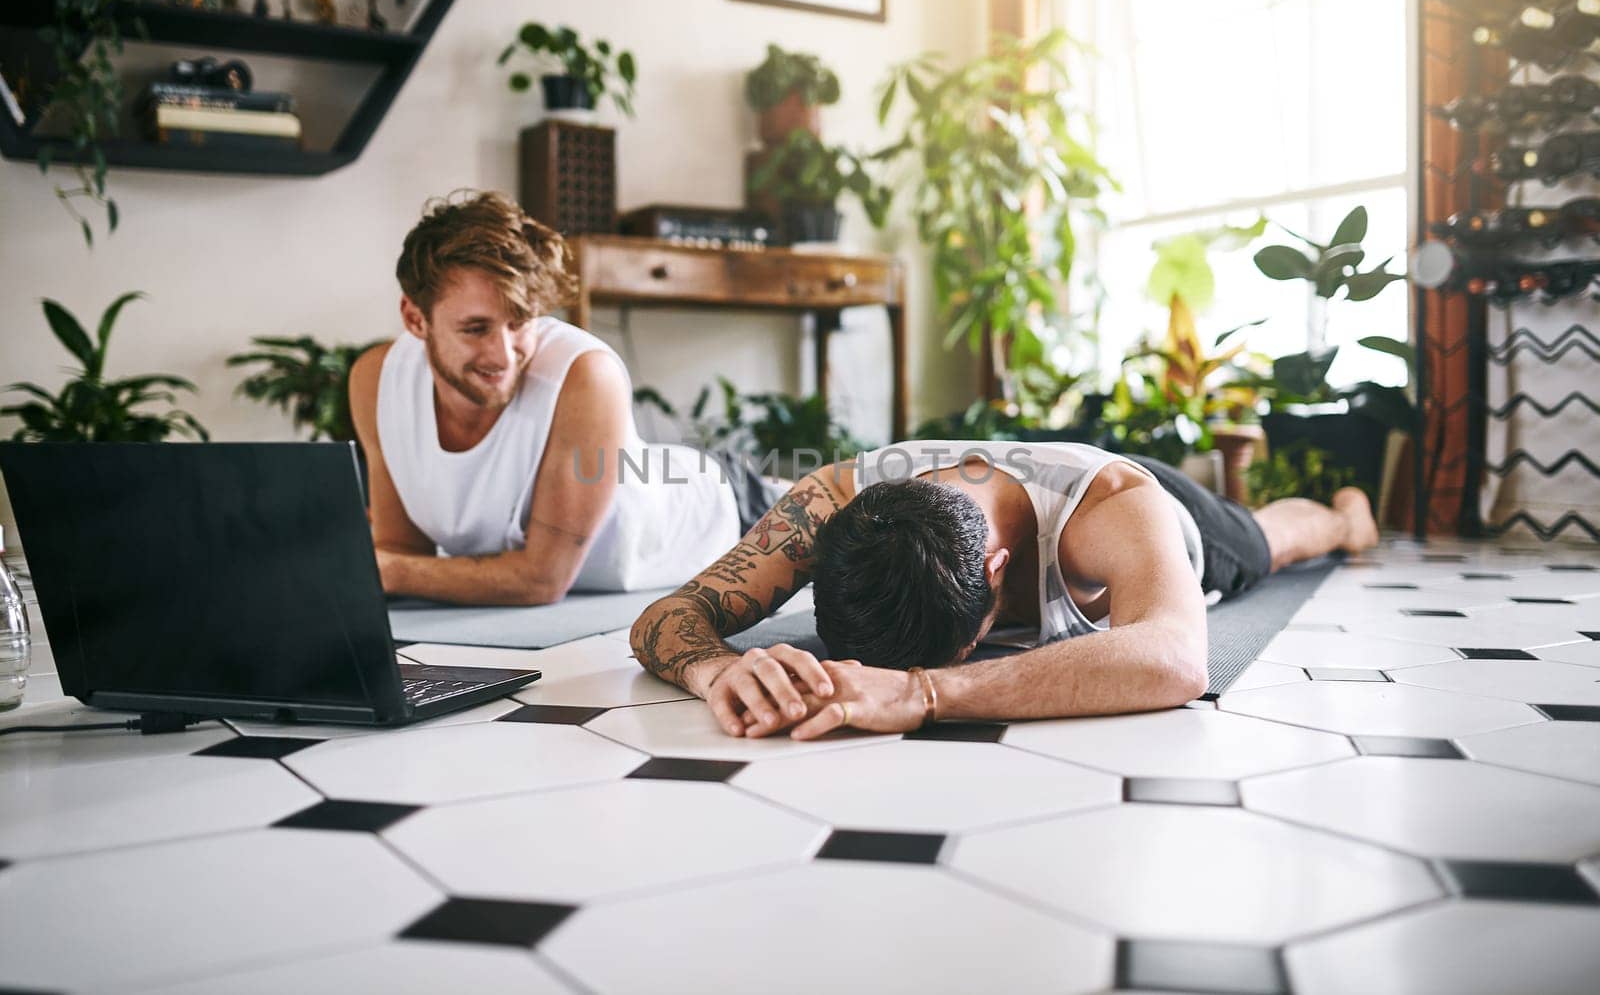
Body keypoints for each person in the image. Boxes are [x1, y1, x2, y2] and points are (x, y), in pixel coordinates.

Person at [629, 439, 1380, 739]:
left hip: (1179, 518)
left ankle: (1348, 514)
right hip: (997, 473)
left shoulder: (1111, 507)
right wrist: (718, 667)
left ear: (997, 571)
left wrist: (924, 692)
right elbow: (670, 614)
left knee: (1270, 540)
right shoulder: (828, 498)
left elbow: (1177, 657)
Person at [348, 190, 765, 605]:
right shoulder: (378, 381)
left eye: (520, 322)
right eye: (475, 329)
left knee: (822, 500)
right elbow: (400, 553)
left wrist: (392, 569)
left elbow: (540, 580)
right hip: (647, 498)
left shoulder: (585, 374)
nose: (504, 354)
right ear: (415, 319)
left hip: (729, 511)